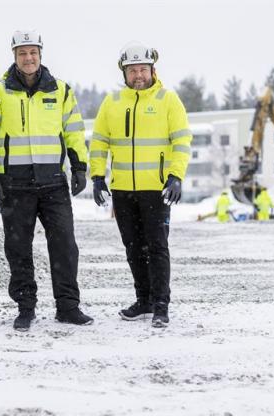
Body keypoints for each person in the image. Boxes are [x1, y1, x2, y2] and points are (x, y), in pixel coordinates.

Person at [0, 30, 93, 331]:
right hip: (14, 184)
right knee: (18, 248)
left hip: (53, 183)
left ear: (41, 55)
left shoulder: (61, 91)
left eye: (33, 53)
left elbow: (74, 132)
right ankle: (25, 307)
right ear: (14, 56)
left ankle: (68, 306)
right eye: (22, 53)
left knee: (65, 245)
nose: (28, 58)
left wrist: (79, 167)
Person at [90, 41, 192, 328]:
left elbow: (182, 140)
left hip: (155, 189)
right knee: (133, 248)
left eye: (143, 70)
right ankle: (143, 300)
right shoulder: (112, 102)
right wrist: (97, 177)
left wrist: (176, 175)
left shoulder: (168, 100)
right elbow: (99, 142)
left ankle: (161, 304)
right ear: (124, 73)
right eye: (132, 70)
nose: (138, 75)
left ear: (152, 70)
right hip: (123, 189)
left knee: (157, 247)